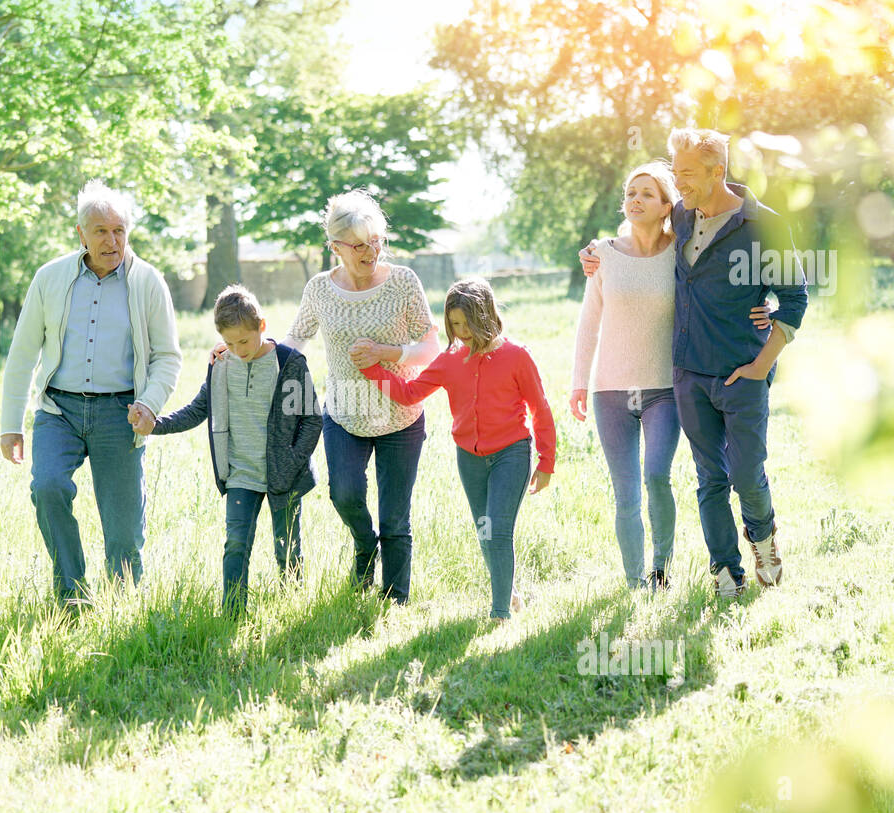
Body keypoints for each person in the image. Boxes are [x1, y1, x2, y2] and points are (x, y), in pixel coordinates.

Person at [579, 129, 808, 597]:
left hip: (743, 369)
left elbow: (794, 297)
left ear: (716, 172)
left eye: (685, 173)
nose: (677, 181)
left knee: (746, 472)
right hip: (688, 373)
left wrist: (763, 363)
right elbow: (638, 238)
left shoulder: (764, 225)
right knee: (710, 479)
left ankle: (762, 536)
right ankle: (726, 572)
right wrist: (594, 250)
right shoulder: (682, 216)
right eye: (675, 171)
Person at [246, 189, 439, 605]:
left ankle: (396, 600)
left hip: (399, 415)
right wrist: (246, 350)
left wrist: (389, 353)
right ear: (336, 248)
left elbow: (431, 345)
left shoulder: (403, 281)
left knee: (395, 517)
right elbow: (296, 338)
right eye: (358, 245)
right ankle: (364, 546)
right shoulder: (320, 289)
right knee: (344, 494)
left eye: (376, 242)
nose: (370, 252)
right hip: (345, 414)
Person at [0, 179, 182, 605]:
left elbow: (168, 358)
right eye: (100, 231)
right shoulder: (49, 278)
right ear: (80, 234)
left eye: (119, 230)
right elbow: (22, 355)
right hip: (58, 411)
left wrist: (150, 404)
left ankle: (123, 606)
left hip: (120, 414)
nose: (111, 240)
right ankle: (71, 594)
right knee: (47, 487)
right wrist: (11, 426)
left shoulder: (148, 282)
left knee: (122, 528)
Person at [359, 278, 555, 622]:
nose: (461, 331)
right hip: (470, 458)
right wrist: (371, 368)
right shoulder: (449, 361)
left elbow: (539, 408)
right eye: (454, 325)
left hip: (512, 452)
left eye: (466, 323)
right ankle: (508, 594)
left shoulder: (516, 356)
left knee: (497, 527)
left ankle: (499, 614)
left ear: (486, 316)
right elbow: (408, 393)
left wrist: (546, 461)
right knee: (485, 530)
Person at [131, 286, 322, 616]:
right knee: (236, 544)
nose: (238, 350)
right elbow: (196, 410)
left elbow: (311, 420)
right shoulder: (221, 364)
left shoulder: (288, 363)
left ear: (261, 325)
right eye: (230, 343)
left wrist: (292, 462)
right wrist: (155, 424)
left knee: (287, 549)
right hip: (239, 475)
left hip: (285, 476)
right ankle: (233, 614)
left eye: (244, 341)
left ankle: (293, 613)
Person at [570, 162, 682, 592]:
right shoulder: (604, 254)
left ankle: (662, 570)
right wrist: (579, 382)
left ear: (665, 206)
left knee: (657, 474)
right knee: (626, 492)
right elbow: (588, 323)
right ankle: (636, 583)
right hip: (610, 390)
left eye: (646, 194)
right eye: (630, 192)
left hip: (663, 390)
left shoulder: (681, 253)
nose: (635, 199)